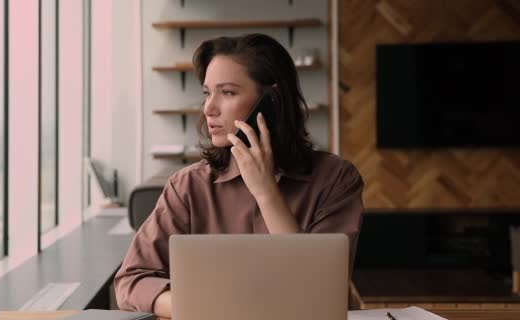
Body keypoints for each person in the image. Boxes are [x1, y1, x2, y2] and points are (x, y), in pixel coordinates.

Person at [114, 33, 364, 318]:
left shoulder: (336, 180)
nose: (209, 108)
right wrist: (203, 308)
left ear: (272, 103)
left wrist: (266, 192)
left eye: (228, 92)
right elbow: (130, 281)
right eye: (207, 92)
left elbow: (316, 292)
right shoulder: (187, 187)